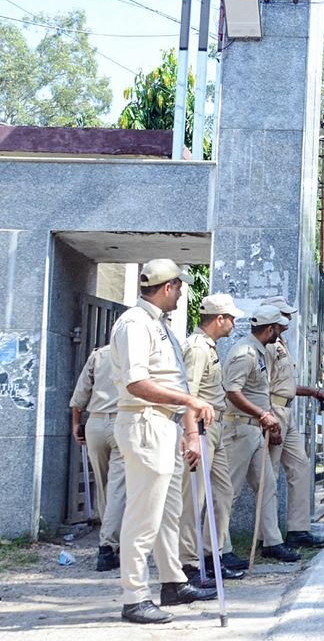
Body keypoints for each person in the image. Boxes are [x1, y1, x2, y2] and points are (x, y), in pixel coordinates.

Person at [109, 259, 217, 624]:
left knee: (167, 513)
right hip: (144, 423)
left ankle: (173, 582)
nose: (183, 291)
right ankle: (134, 596)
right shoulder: (134, 324)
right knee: (143, 515)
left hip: (165, 425)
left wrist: (189, 431)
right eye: (179, 285)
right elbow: (136, 383)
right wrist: (190, 403)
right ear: (167, 286)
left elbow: (177, 382)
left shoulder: (160, 326)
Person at [222, 306, 300, 564]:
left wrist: (267, 420)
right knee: (228, 492)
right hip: (239, 429)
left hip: (256, 429)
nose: (281, 332)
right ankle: (220, 549)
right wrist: (263, 414)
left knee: (267, 486)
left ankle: (272, 542)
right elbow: (233, 391)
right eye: (278, 328)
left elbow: (259, 392)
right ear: (269, 329)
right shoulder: (245, 353)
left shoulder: (257, 351)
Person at [178, 294, 247, 584]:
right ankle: (189, 563)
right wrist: (191, 435)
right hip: (201, 428)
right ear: (219, 318)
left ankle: (212, 554)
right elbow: (188, 395)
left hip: (215, 426)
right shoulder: (197, 348)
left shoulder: (211, 347)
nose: (233, 324)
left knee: (223, 493)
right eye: (231, 318)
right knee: (195, 498)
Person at [262, 295, 324, 548]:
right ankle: (267, 538)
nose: (289, 319)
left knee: (301, 467)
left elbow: (286, 385)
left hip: (287, 411)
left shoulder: (281, 343)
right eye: (285, 314)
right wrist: (268, 417)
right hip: (273, 411)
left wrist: (312, 391)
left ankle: (298, 529)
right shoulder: (267, 346)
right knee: (267, 476)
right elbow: (264, 387)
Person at [70, 344, 124, 572]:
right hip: (124, 422)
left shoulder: (98, 354)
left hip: (95, 422)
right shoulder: (139, 351)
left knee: (103, 486)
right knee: (119, 487)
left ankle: (107, 539)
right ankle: (108, 547)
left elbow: (80, 392)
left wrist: (75, 424)